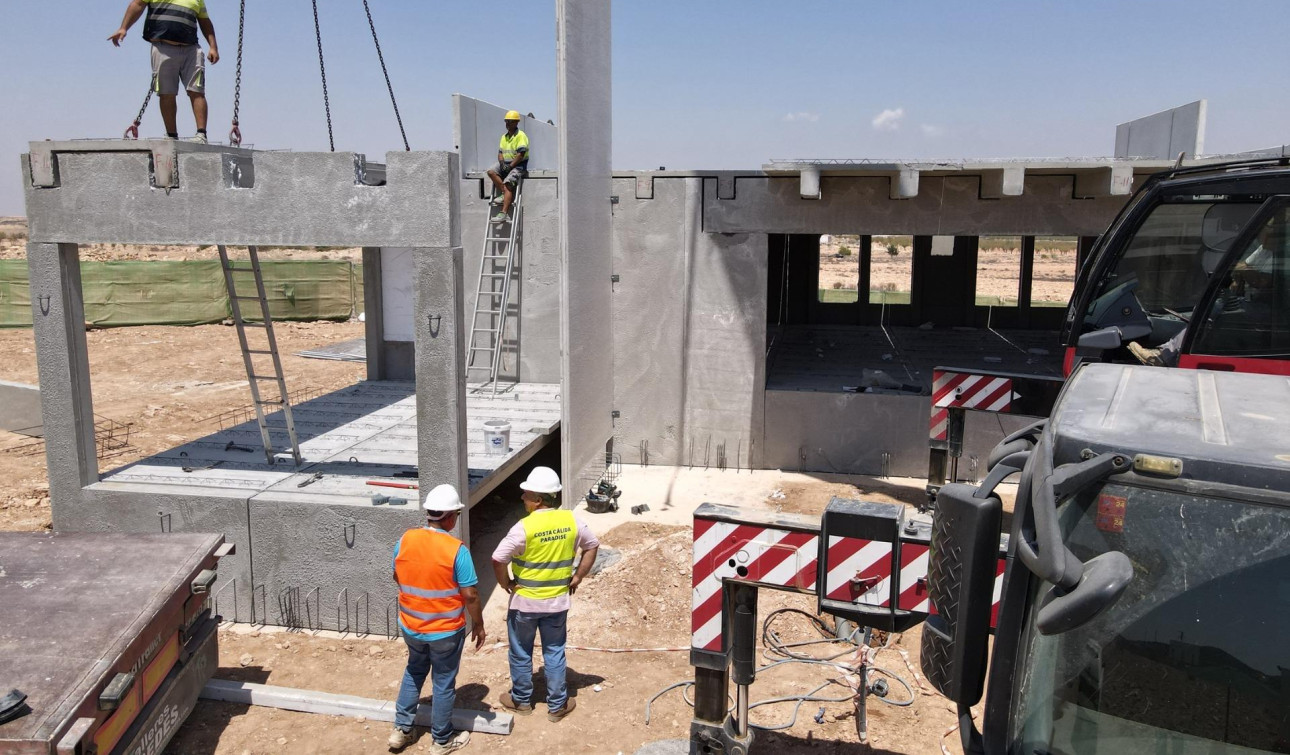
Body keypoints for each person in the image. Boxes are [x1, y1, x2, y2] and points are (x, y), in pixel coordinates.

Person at [492, 466, 599, 722]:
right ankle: (557, 705)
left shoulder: (523, 527)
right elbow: (592, 545)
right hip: (556, 604)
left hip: (524, 605)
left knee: (520, 652)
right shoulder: (571, 521)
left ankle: (521, 700)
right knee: (554, 651)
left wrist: (505, 582)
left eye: (526, 494)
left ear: (538, 499)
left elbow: (497, 557)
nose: (522, 498)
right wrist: (578, 576)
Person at [389, 484, 485, 754]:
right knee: (443, 682)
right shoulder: (456, 549)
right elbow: (470, 594)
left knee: (414, 671)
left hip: (411, 625)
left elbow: (396, 574)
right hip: (445, 631)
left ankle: (401, 731)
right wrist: (478, 624)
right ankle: (441, 741)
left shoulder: (405, 539)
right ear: (451, 517)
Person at [109, 0, 219, 143]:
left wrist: (213, 46)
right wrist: (123, 28)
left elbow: (204, 21)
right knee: (166, 93)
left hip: (191, 49)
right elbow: (137, 5)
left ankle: (201, 134)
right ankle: (172, 135)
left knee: (197, 91)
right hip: (163, 47)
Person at [485, 111, 529, 224]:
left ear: (516, 122)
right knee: (491, 172)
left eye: (509, 121)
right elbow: (500, 153)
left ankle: (503, 213)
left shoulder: (521, 136)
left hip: (518, 164)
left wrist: (510, 167)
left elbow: (521, 154)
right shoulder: (504, 137)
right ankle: (505, 193)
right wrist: (502, 164)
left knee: (508, 183)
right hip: (506, 163)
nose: (507, 123)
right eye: (506, 121)